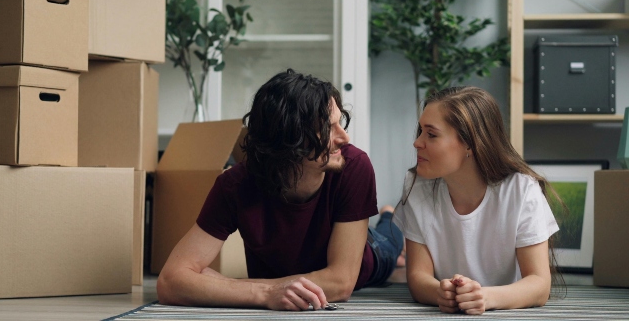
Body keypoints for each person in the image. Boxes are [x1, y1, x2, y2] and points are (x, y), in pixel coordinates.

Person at [157, 69, 404, 311]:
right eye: (329, 128)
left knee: (391, 239)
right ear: (290, 139)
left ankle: (387, 214)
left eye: (340, 123)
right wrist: (265, 293)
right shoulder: (235, 184)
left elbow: (340, 284)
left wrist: (227, 286)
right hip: (288, 270)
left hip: (372, 254)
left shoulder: (354, 166)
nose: (345, 138)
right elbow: (170, 282)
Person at [392, 86, 561, 315]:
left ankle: (386, 213)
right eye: (420, 131)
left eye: (431, 134)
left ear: (469, 143)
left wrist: (485, 296)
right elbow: (417, 277)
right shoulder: (417, 186)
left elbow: (540, 285)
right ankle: (386, 214)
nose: (417, 143)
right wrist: (441, 293)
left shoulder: (521, 190)